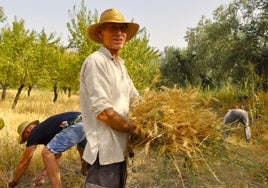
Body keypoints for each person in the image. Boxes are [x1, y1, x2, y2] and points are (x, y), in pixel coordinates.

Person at [80, 8, 141, 188]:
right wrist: (135, 129)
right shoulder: (96, 62)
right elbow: (103, 113)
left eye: (122, 29)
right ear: (101, 32)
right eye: (113, 28)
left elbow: (135, 97)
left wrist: (158, 118)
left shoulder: (120, 65)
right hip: (105, 153)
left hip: (119, 151)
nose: (119, 33)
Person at [7, 111, 87, 187]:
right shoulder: (45, 130)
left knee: (46, 153)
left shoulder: (34, 134)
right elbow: (57, 154)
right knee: (81, 147)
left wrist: (14, 182)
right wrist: (44, 175)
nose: (27, 141)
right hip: (88, 121)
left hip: (77, 126)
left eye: (25, 139)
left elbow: (24, 162)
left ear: (27, 132)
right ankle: (85, 171)